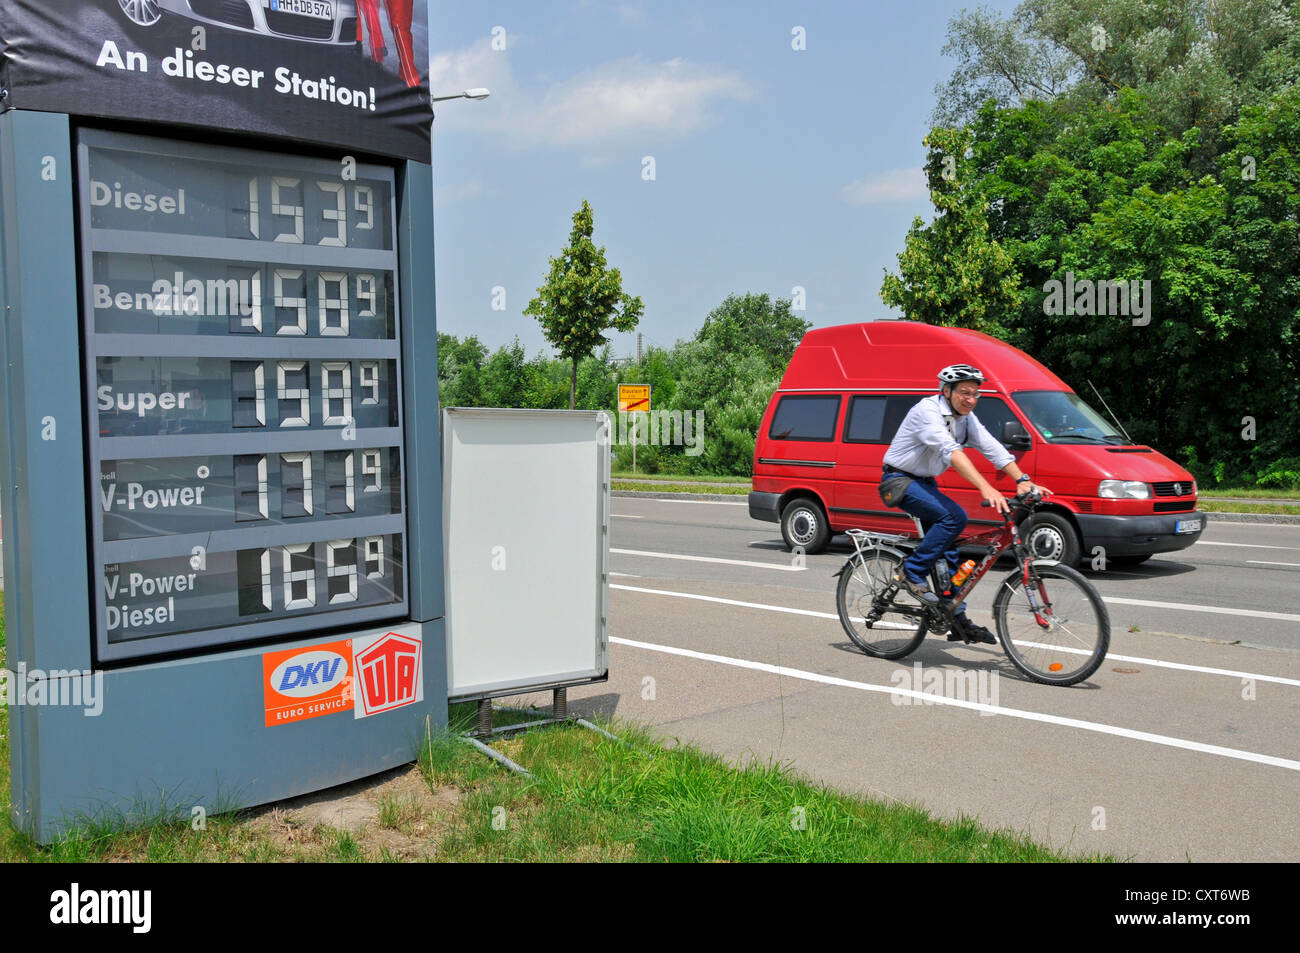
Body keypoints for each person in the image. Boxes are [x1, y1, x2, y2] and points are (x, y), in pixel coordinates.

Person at [880, 364, 1051, 644]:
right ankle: (911, 571)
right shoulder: (927, 412)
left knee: (950, 554)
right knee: (955, 518)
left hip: (924, 482)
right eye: (964, 393)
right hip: (898, 480)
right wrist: (986, 486)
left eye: (975, 394)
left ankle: (956, 619)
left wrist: (1023, 479)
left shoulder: (966, 418)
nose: (971, 399)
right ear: (946, 391)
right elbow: (951, 452)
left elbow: (991, 446)